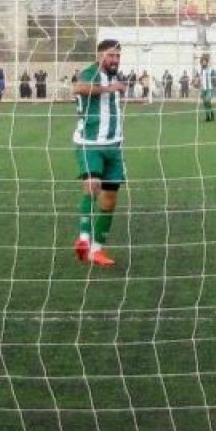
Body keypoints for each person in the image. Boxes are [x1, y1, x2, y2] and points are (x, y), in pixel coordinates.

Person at [72, 39, 128, 267]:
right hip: (90, 143)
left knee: (109, 200)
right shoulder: (91, 73)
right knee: (92, 185)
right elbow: (78, 88)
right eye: (110, 55)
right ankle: (84, 239)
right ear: (99, 55)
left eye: (117, 55)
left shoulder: (115, 76)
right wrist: (108, 89)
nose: (115, 59)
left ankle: (96, 250)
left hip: (114, 146)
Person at [196, 56, 216, 121]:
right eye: (202, 62)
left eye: (205, 62)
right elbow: (197, 79)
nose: (204, 63)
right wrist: (196, 83)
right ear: (201, 63)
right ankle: (207, 116)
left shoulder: (211, 70)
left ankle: (212, 113)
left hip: (209, 89)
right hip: (203, 89)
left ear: (207, 62)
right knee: (205, 103)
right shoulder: (199, 71)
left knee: (207, 101)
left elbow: (215, 79)